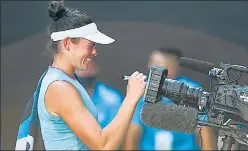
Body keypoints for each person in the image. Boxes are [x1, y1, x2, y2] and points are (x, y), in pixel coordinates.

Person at [37, 1, 146, 150]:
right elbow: (104, 145)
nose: (95, 52)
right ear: (68, 44)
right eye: (91, 45)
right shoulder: (59, 87)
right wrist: (131, 98)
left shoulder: (64, 81)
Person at [123, 47, 217, 150]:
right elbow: (132, 132)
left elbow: (204, 132)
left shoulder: (191, 91)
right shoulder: (143, 91)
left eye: (155, 63)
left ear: (170, 69)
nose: (149, 66)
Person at [75, 60, 124, 129]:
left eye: (89, 65)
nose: (85, 71)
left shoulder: (112, 98)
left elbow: (117, 130)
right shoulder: (60, 95)